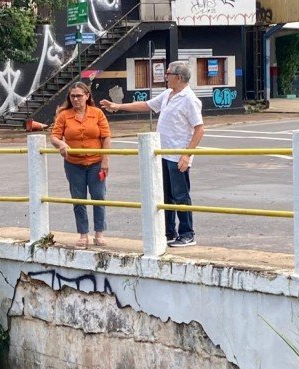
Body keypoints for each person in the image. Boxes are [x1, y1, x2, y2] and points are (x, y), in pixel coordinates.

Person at [100, 61, 204, 247]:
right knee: (165, 196)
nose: (165, 77)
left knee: (180, 195)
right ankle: (169, 232)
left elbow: (199, 129)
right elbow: (146, 105)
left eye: (168, 74)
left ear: (178, 77)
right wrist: (118, 106)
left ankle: (187, 234)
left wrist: (187, 154)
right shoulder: (168, 94)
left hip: (177, 155)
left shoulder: (189, 99)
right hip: (163, 153)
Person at [51, 82, 112, 249]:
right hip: (74, 164)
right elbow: (54, 137)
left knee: (98, 196)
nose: (76, 99)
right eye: (73, 96)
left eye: (79, 95)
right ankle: (83, 234)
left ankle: (99, 233)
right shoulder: (64, 115)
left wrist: (105, 161)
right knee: (78, 199)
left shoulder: (97, 113)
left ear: (87, 96)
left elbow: (106, 137)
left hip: (95, 162)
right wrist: (61, 145)